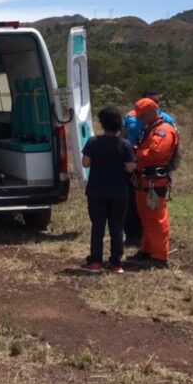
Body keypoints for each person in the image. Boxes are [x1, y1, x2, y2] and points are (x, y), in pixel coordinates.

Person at [79, 106, 136, 273]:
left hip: (96, 190)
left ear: (102, 124)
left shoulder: (93, 142)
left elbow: (85, 163)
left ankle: (95, 261)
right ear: (119, 125)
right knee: (117, 227)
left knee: (98, 226)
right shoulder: (125, 144)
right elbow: (129, 168)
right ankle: (116, 263)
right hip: (119, 191)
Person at [122, 91, 176, 247]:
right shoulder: (149, 127)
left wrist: (136, 154)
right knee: (145, 215)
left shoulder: (163, 129)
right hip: (142, 179)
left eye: (142, 116)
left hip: (154, 180)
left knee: (156, 217)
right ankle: (146, 248)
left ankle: (158, 254)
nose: (140, 119)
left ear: (153, 111)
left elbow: (155, 154)